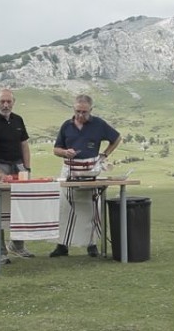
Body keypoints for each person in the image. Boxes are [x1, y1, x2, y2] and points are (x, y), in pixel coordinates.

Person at [50, 94, 121, 257]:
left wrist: (104, 155)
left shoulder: (99, 124)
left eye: (84, 112)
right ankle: (62, 245)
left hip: (90, 171)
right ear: (73, 109)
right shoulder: (66, 126)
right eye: (78, 111)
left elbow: (116, 138)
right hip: (69, 170)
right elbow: (56, 149)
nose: (81, 115)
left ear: (91, 110)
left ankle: (91, 245)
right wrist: (64, 152)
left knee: (92, 208)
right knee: (64, 208)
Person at [0, 88, 33, 261]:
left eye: (9, 101)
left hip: (18, 167)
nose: (5, 105)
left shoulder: (18, 119)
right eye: (2, 101)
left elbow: (24, 145)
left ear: (13, 102)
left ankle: (17, 245)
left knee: (23, 206)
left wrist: (27, 168)